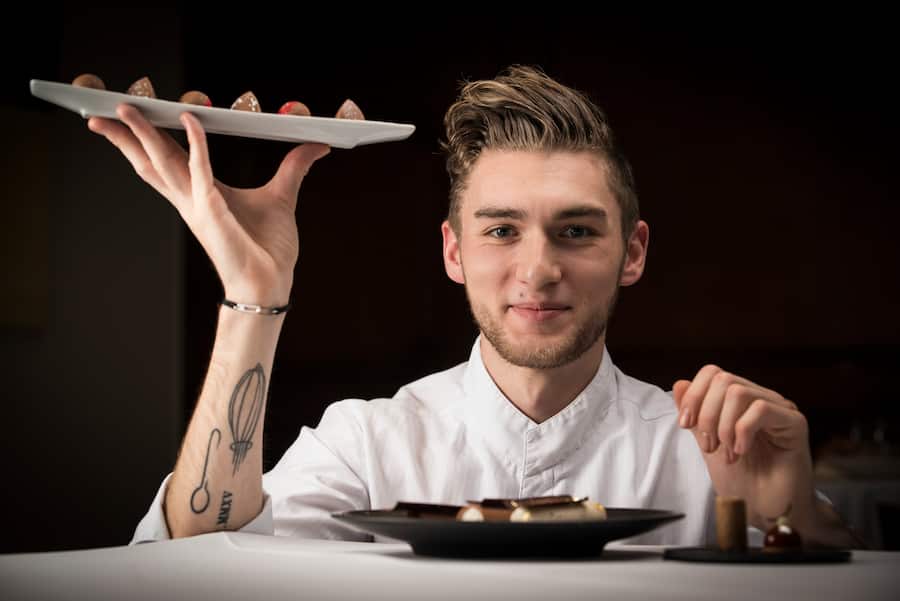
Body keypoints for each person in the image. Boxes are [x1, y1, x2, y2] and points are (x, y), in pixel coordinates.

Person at [89, 65, 858, 547]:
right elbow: (190, 561)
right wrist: (253, 295)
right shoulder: (365, 445)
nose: (539, 268)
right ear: (455, 251)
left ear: (633, 252)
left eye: (578, 230)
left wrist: (793, 523)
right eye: (500, 230)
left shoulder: (708, 454)